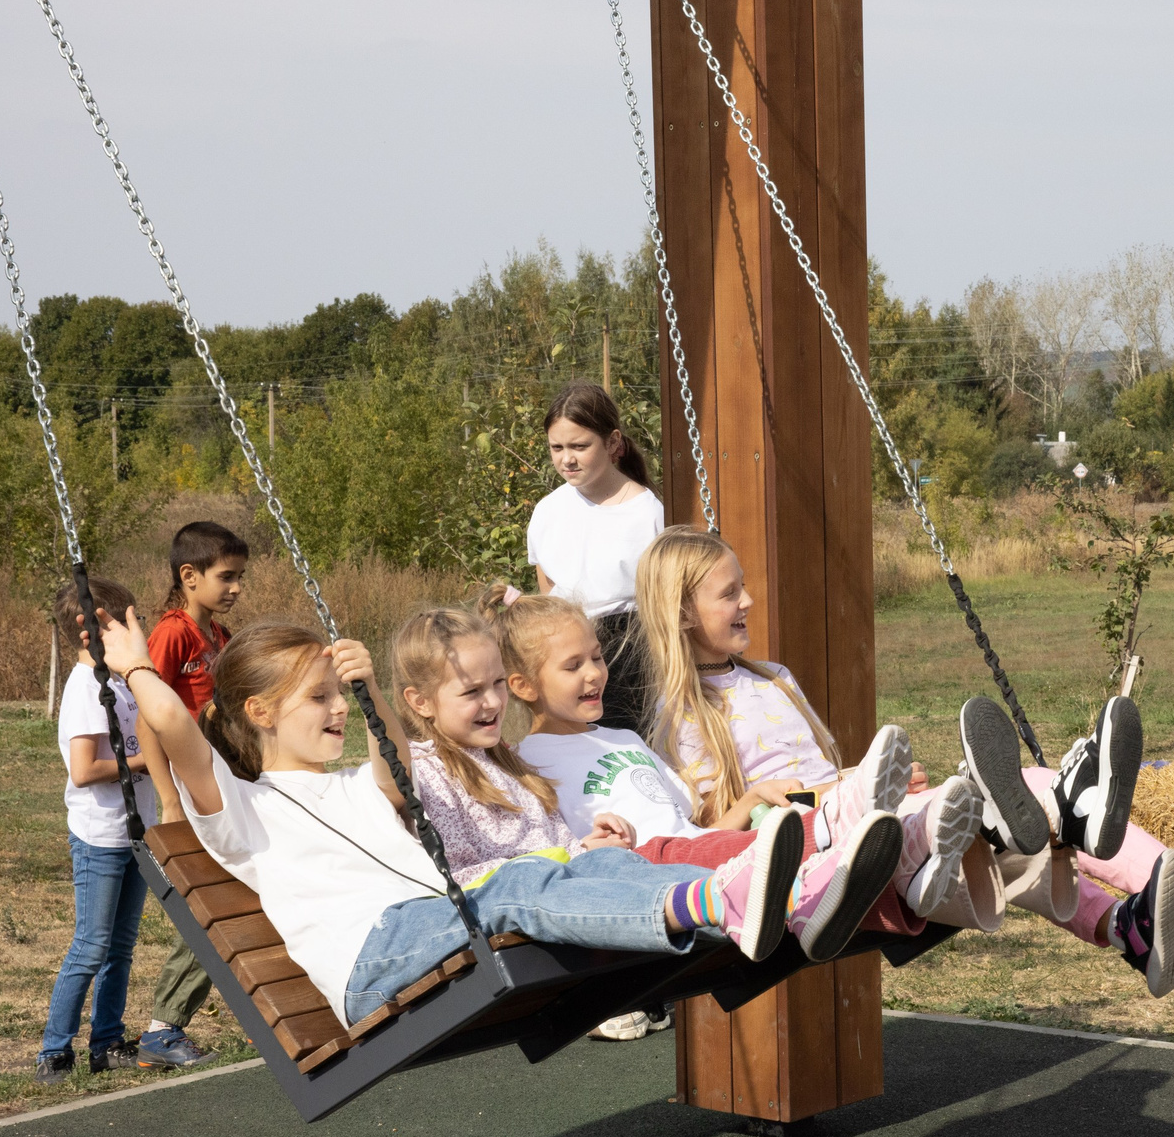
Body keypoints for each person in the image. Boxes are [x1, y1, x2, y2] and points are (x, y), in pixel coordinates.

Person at [636, 526, 1174, 997]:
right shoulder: (678, 714)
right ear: (683, 612)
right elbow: (698, 831)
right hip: (800, 856)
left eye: (743, 586)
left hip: (859, 821)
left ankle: (1158, 897)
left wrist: (873, 782)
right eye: (729, 593)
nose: (748, 600)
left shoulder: (774, 677)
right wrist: (757, 794)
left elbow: (829, 769)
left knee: (1022, 819)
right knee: (1032, 806)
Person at [94, 609, 809, 1035]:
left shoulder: (355, 787)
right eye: (320, 698)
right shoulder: (240, 811)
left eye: (337, 696)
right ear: (261, 713)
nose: (338, 710)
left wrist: (366, 683)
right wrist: (135, 668)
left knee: (583, 862)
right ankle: (725, 900)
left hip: (425, 927)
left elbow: (394, 760)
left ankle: (783, 891)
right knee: (516, 883)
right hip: (372, 961)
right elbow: (171, 727)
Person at [390, 604, 904, 992]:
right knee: (714, 860)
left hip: (667, 851)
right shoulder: (507, 758)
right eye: (574, 665)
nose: (493, 701)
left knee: (752, 844)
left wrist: (590, 843)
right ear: (419, 702)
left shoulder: (520, 759)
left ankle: (905, 857)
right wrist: (364, 686)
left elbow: (675, 826)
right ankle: (836, 828)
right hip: (638, 864)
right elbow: (392, 776)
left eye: (497, 684)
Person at [133, 519, 252, 1068]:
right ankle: (162, 1029)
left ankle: (253, 1007)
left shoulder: (220, 638)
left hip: (224, 785)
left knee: (247, 891)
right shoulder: (172, 633)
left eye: (240, 578)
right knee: (213, 902)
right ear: (189, 576)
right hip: (190, 791)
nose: (235, 588)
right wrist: (169, 798)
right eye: (226, 577)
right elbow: (150, 718)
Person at [37, 577, 160, 1082]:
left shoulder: (121, 681)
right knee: (91, 945)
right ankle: (55, 1048)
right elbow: (84, 771)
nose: (137, 629)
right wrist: (144, 762)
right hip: (102, 837)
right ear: (93, 630)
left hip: (137, 832)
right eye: (125, 621)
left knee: (122, 946)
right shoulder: (86, 689)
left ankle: (107, 1041)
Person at [528, 383, 665, 735]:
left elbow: (662, 603)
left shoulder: (647, 513)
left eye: (579, 446)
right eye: (556, 447)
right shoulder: (548, 510)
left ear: (613, 442)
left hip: (628, 656)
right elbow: (548, 590)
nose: (566, 459)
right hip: (560, 652)